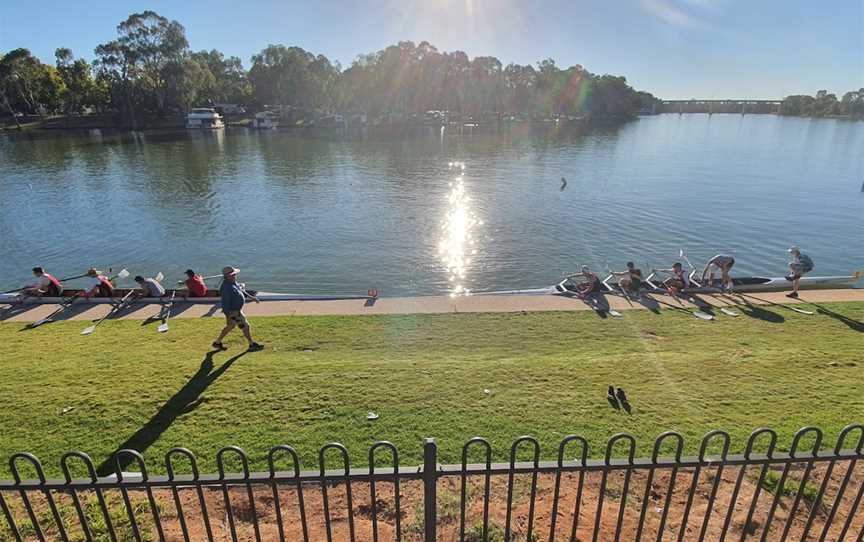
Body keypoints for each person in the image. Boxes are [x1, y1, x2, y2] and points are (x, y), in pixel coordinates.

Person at [212, 266, 263, 351]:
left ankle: (217, 342)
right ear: (227, 276)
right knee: (245, 326)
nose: (235, 275)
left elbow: (241, 289)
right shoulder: (226, 288)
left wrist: (251, 297)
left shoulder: (233, 282)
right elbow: (225, 304)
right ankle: (251, 344)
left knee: (231, 326)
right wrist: (228, 317)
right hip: (233, 312)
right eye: (233, 274)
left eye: (235, 274)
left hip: (237, 311)